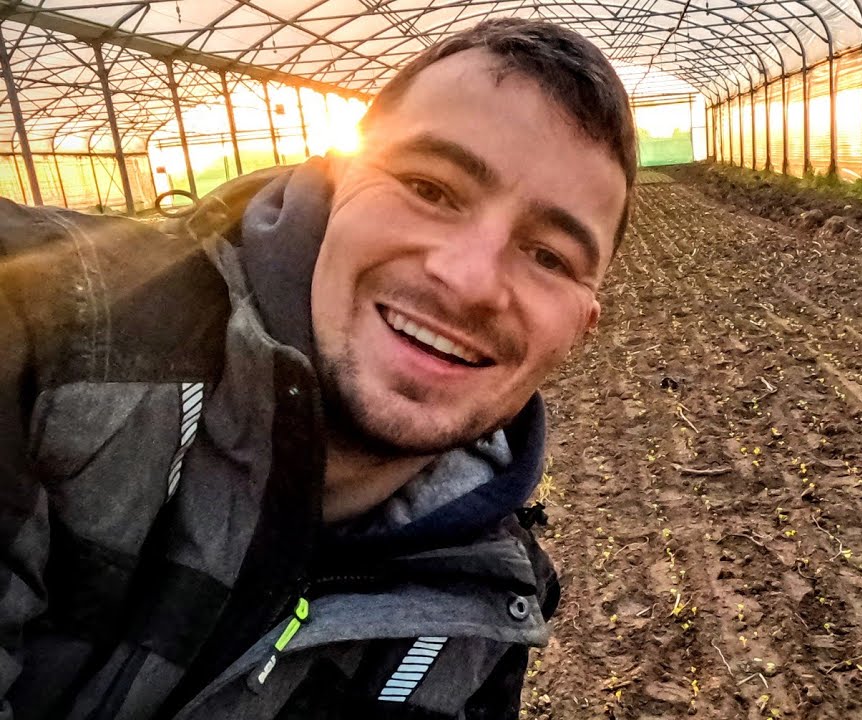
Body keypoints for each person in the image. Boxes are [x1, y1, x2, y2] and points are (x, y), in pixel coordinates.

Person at [0, 17, 635, 719]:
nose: (469, 280)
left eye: (549, 256)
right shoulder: (46, 325)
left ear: (582, 327)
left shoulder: (481, 620)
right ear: (334, 180)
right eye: (430, 188)